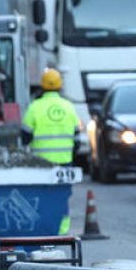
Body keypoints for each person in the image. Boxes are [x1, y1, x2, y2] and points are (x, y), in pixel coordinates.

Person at [22, 68, 81, 235]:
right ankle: (62, 229)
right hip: (64, 160)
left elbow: (25, 136)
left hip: (40, 162)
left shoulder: (35, 107)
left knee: (41, 196)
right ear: (60, 86)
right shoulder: (68, 107)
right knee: (62, 196)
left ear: (42, 86)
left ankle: (43, 228)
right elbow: (77, 138)